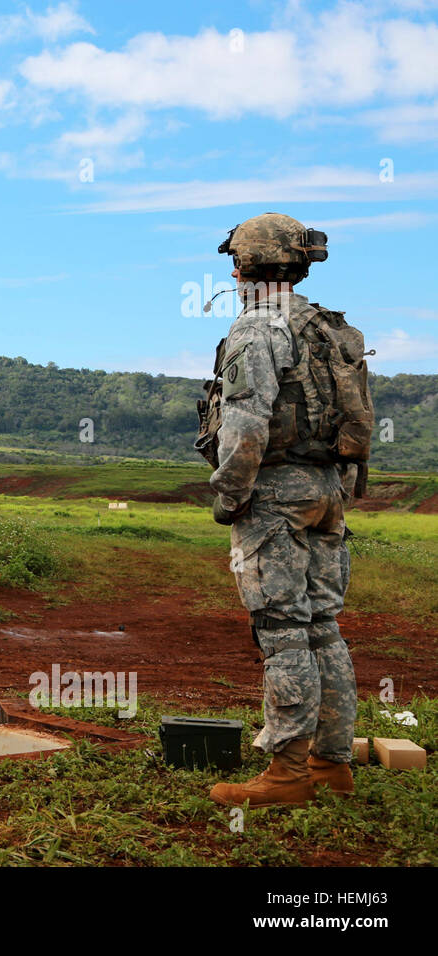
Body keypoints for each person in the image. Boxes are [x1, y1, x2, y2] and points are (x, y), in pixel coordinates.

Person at [197, 213, 372, 807]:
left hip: (276, 493)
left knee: (283, 633)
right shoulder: (325, 329)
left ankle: (288, 773)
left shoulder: (256, 329)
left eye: (236, 263)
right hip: (327, 488)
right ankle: (332, 763)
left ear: (246, 266)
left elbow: (245, 422)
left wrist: (230, 493)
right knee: (324, 627)